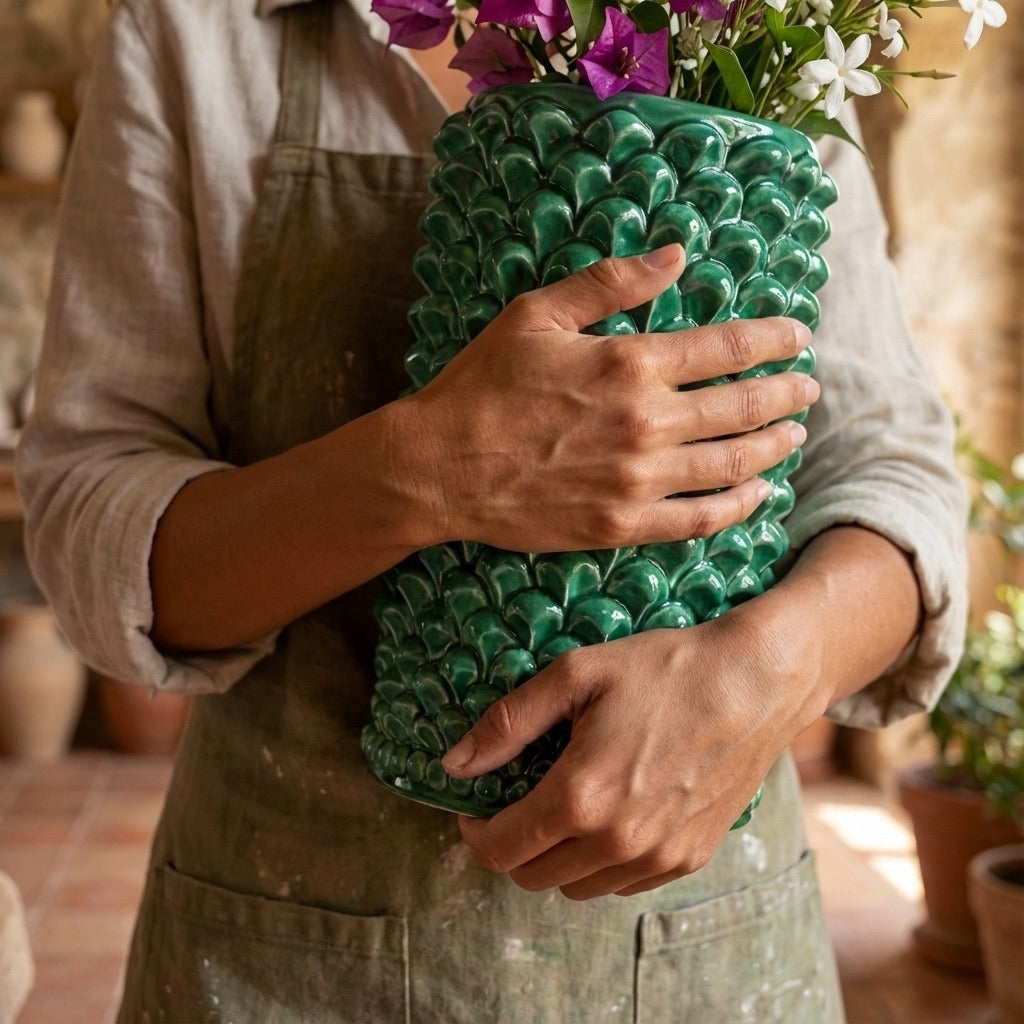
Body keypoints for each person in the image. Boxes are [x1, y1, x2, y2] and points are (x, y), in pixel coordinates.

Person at [15, 0, 968, 1021]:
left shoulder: (768, 37)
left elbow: (894, 474)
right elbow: (89, 520)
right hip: (283, 954)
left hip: (697, 950)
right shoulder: (197, 32)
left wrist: (776, 666)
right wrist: (424, 471)